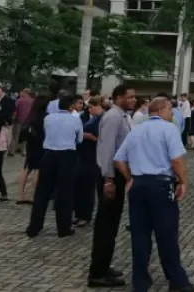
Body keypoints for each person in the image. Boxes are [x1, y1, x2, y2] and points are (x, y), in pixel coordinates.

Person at [113, 97, 194, 292]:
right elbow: (177, 160)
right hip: (161, 186)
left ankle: (140, 282)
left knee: (140, 235)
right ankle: (177, 281)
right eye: (170, 110)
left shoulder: (136, 130)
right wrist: (183, 181)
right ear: (162, 110)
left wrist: (130, 178)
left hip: (139, 186)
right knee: (167, 234)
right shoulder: (168, 129)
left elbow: (119, 160)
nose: (172, 114)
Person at [87, 85, 136, 288]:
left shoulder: (122, 116)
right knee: (105, 224)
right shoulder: (113, 117)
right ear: (118, 98)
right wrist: (108, 179)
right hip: (111, 175)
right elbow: (107, 150)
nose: (134, 100)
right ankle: (97, 273)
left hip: (117, 174)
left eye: (134, 97)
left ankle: (104, 265)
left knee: (112, 224)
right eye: (129, 97)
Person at [26, 95, 83, 238]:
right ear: (71, 106)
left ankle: (34, 227)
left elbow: (47, 133)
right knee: (65, 193)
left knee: (42, 192)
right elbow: (80, 138)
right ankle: (63, 228)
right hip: (67, 155)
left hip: (49, 154)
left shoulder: (48, 118)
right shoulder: (75, 119)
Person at [73, 96, 103, 227]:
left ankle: (85, 215)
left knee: (88, 187)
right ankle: (79, 213)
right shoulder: (85, 117)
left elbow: (101, 137)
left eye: (92, 107)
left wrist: (90, 137)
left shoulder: (102, 119)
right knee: (79, 185)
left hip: (93, 155)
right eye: (89, 107)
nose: (89, 109)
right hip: (82, 153)